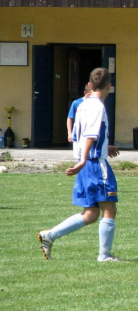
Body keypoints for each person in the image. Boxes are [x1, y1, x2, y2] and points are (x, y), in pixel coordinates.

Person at [37, 67, 120, 262]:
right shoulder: (98, 106)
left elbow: (81, 134)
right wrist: (84, 160)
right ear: (109, 85)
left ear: (90, 85)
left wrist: (103, 146)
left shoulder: (81, 104)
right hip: (93, 164)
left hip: (86, 162)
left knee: (91, 214)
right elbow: (90, 135)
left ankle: (50, 235)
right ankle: (104, 255)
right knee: (109, 209)